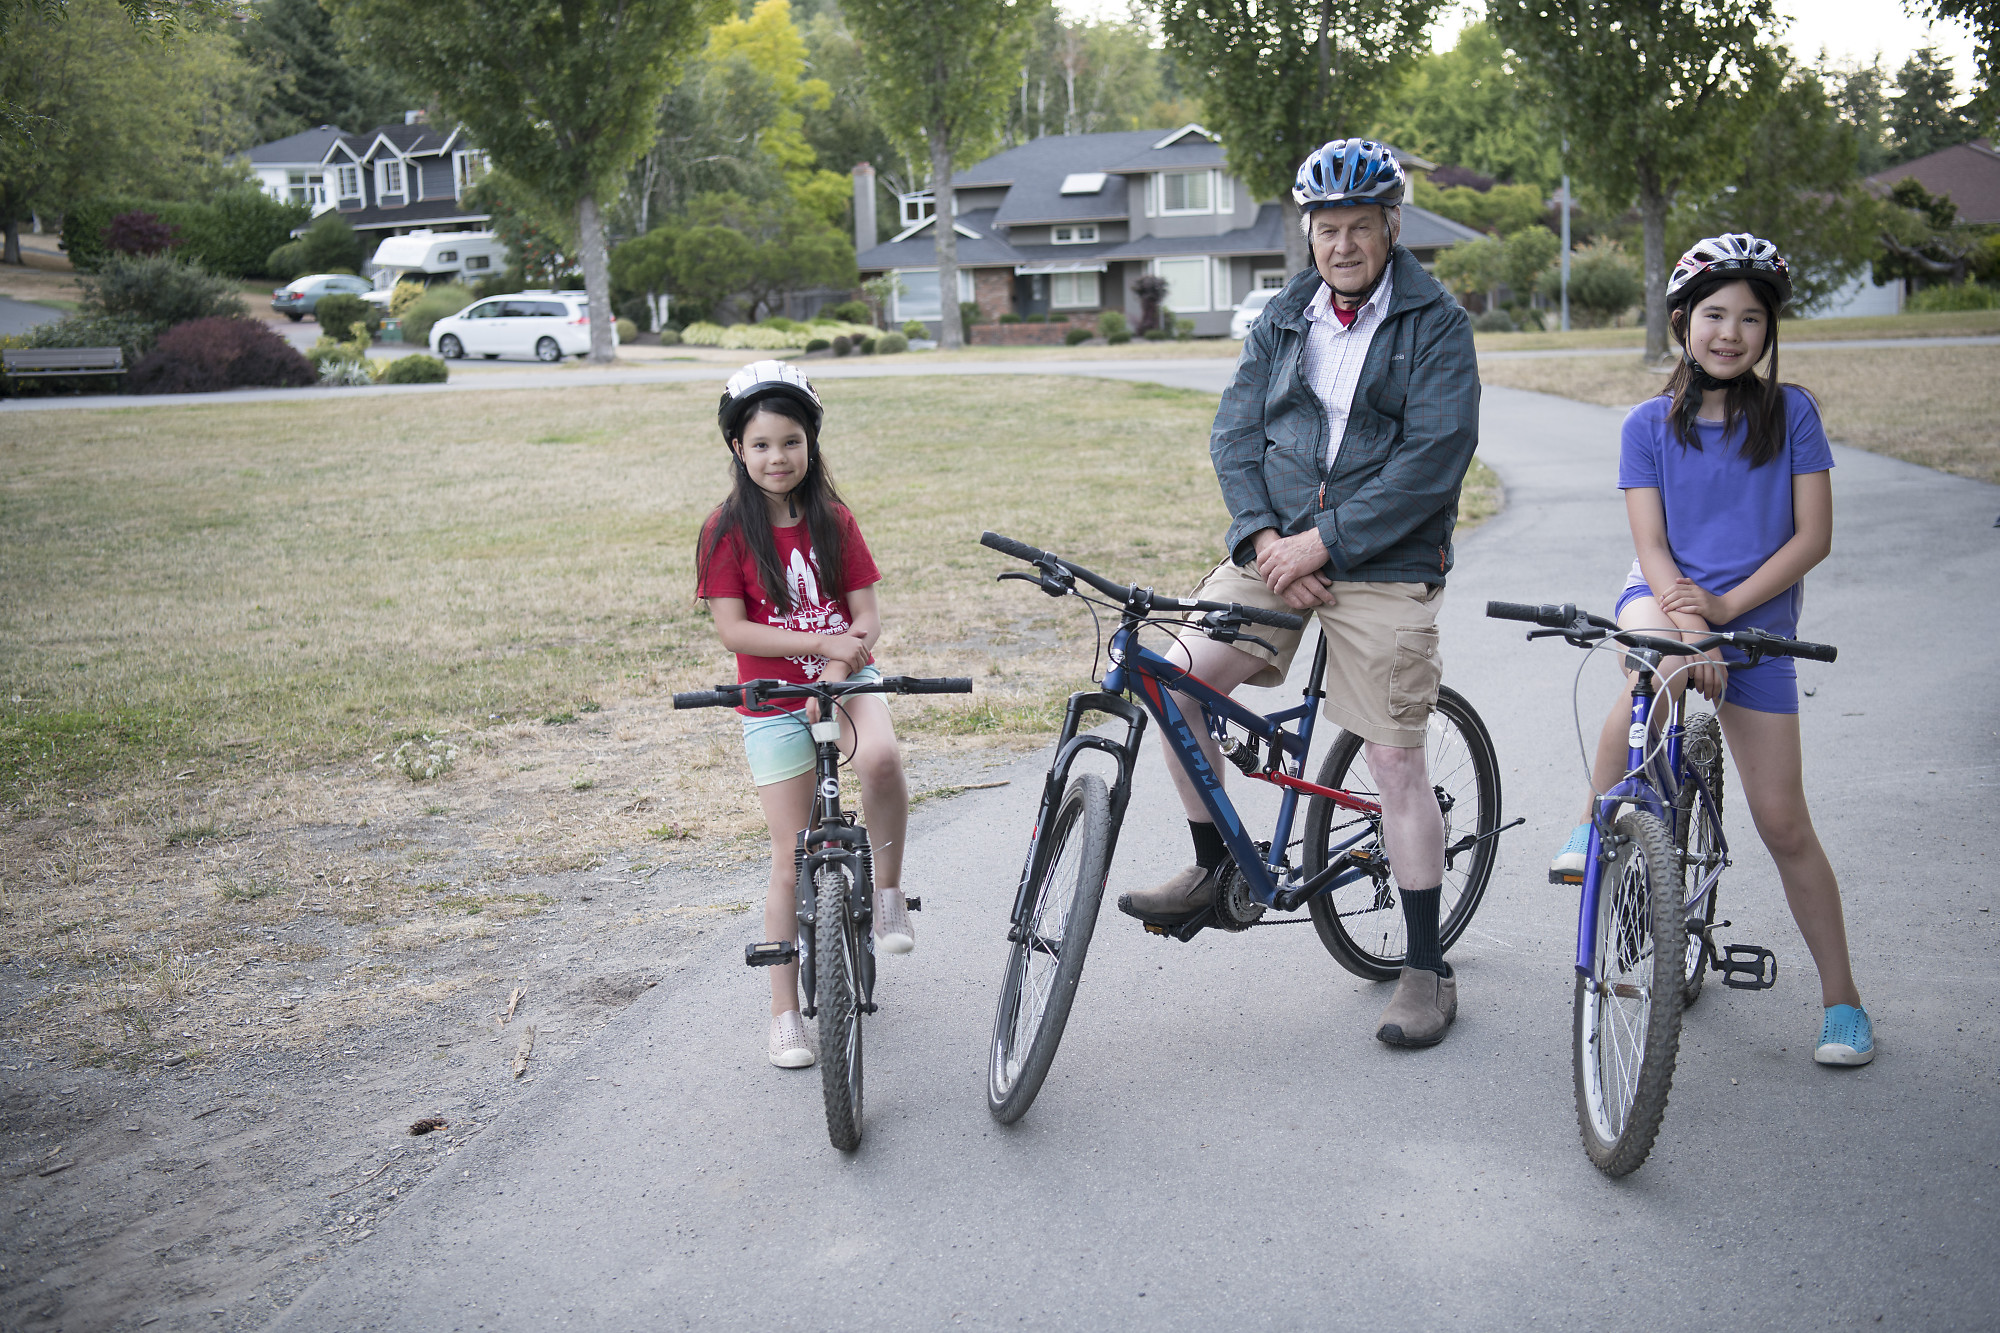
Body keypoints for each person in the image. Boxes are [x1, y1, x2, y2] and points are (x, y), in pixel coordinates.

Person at [1116, 138, 1481, 1049]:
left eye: (1360, 226)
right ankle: (1215, 867)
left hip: (1385, 562)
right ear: (1308, 233)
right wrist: (1264, 539)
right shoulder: (1285, 315)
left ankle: (1426, 968)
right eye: (1328, 228)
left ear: (1392, 226)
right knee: (1172, 680)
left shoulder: (1437, 323)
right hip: (1276, 550)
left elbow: (1434, 461)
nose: (1343, 244)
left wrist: (1328, 540)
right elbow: (1234, 433)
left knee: (1394, 761)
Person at [1547, 234, 1871, 1067]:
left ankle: (1844, 1001)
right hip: (1665, 597)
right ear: (1683, 321)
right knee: (1659, 663)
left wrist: (1726, 612)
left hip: (1753, 619)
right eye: (1715, 314)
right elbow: (1652, 547)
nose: (1731, 333)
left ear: (1769, 331)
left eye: (1751, 319)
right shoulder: (1646, 425)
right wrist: (1694, 630)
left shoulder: (1792, 414)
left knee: (1784, 824)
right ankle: (1593, 823)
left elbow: (1813, 537)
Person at [693, 360, 914, 1070]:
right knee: (790, 857)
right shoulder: (725, 530)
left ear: (810, 443)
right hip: (771, 700)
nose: (777, 457)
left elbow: (866, 616)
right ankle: (784, 1015)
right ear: (738, 449)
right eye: (761, 444)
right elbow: (734, 630)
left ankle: (887, 891)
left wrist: (838, 668)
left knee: (881, 759)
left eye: (791, 441)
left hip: (846, 682)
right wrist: (818, 646)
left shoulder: (834, 520)